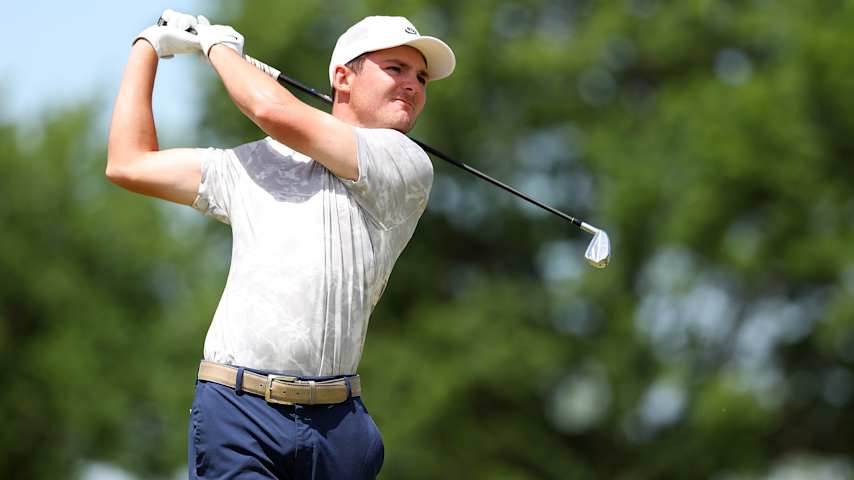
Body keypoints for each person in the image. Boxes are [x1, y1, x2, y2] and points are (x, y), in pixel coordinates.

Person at [106, 9, 455, 479]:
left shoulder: (405, 163)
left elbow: (273, 112)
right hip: (237, 412)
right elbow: (128, 163)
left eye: (421, 78)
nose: (413, 85)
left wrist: (219, 48)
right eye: (395, 69)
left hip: (339, 426)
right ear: (342, 78)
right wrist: (147, 46)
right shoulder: (252, 165)